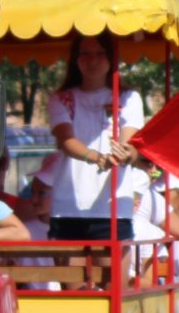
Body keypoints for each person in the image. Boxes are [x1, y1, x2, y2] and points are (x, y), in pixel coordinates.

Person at [44, 35, 155, 244]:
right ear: (75, 59)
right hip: (68, 206)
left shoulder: (128, 97)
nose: (92, 61)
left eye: (100, 54)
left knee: (112, 277)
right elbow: (66, 140)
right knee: (71, 277)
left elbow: (129, 141)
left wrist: (125, 154)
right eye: (85, 54)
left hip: (113, 207)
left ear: (111, 58)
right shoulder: (61, 98)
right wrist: (96, 157)